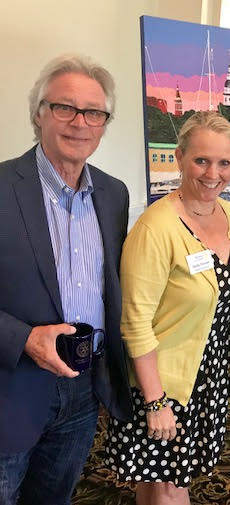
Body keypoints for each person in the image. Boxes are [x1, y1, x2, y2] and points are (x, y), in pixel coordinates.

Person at [0, 54, 133, 504]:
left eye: (94, 112)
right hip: (11, 387)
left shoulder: (114, 194)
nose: (80, 123)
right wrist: (24, 339)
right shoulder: (2, 187)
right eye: (64, 107)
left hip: (84, 388)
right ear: (38, 113)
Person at [106, 111, 230, 504]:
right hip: (164, 382)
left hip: (208, 376)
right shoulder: (156, 227)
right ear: (179, 157)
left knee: (162, 482)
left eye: (224, 162)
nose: (213, 173)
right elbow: (134, 321)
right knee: (168, 487)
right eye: (201, 160)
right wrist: (155, 402)